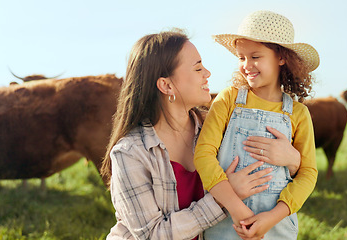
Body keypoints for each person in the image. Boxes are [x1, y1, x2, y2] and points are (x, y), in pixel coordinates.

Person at [100, 29, 300, 240]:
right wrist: (224, 197)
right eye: (197, 68)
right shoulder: (129, 153)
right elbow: (152, 235)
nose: (207, 73)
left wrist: (294, 160)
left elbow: (269, 176)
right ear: (166, 85)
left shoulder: (220, 128)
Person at [193, 10, 319, 239]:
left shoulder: (299, 113)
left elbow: (308, 173)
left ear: (281, 58)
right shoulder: (229, 99)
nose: (246, 65)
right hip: (226, 220)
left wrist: (272, 217)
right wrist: (236, 208)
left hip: (275, 226)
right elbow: (203, 154)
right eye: (241, 57)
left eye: (255, 56)